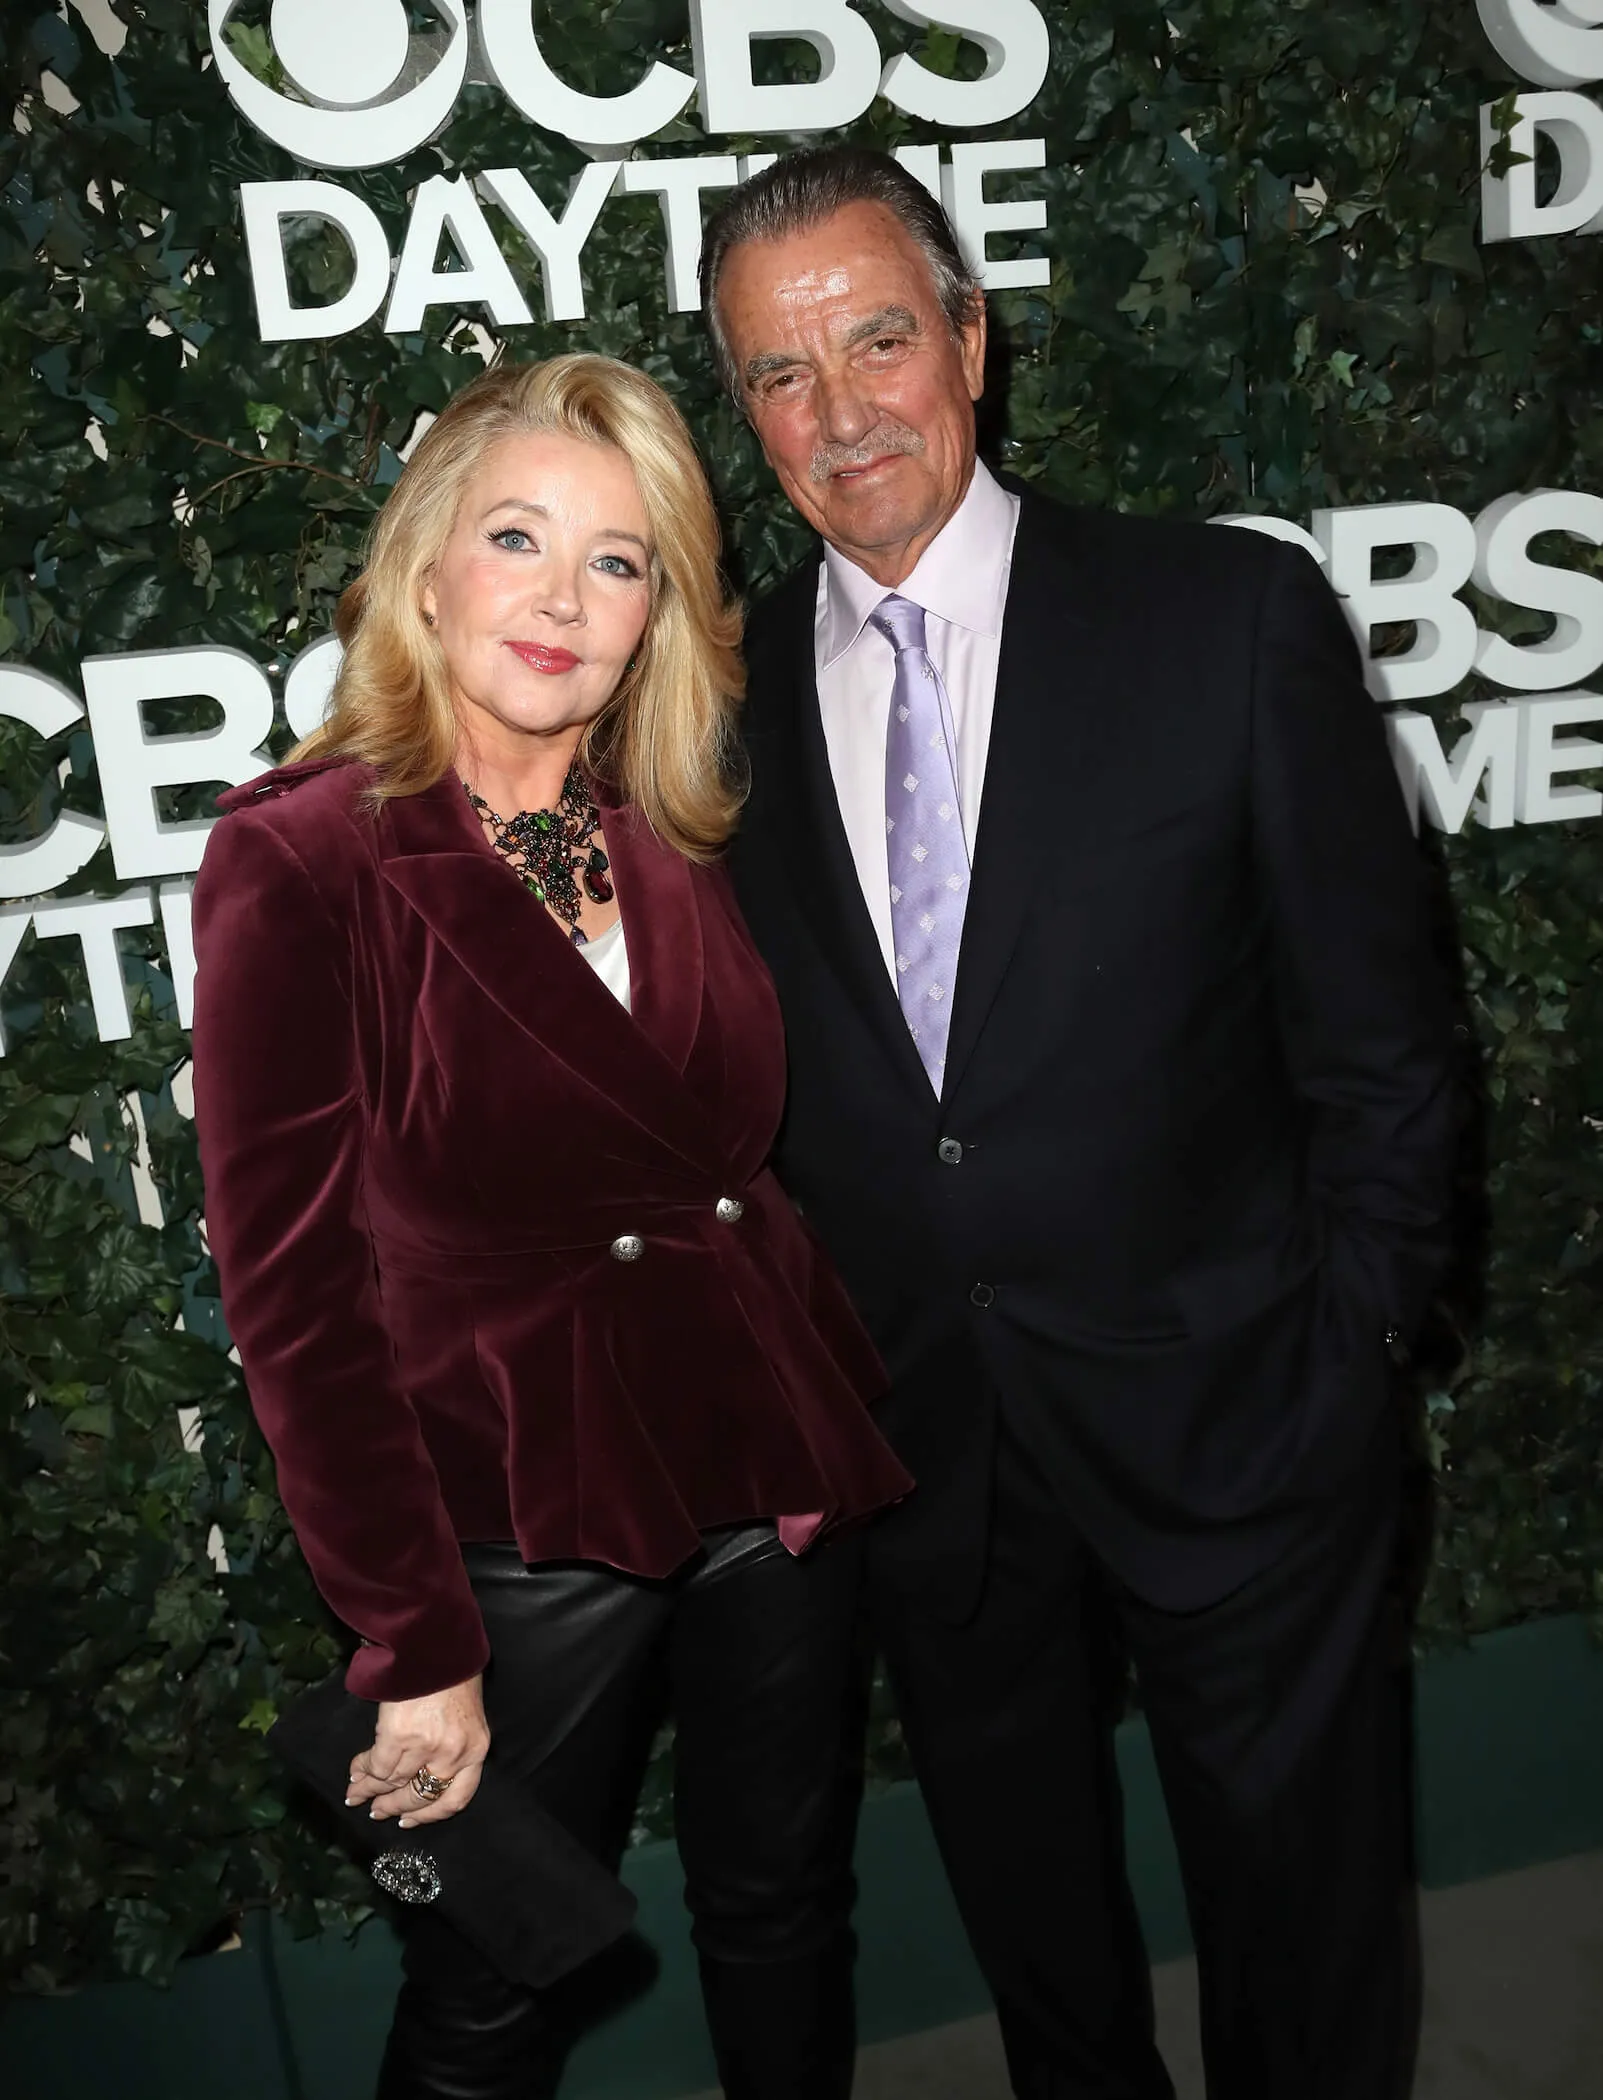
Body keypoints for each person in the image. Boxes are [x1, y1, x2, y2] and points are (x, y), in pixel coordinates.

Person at [701, 146, 1460, 2100]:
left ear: (972, 339)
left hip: (1247, 1423)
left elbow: (1384, 1044)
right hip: (935, 1462)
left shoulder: (1225, 617)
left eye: (881, 337)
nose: (844, 407)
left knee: (1306, 1943)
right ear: (743, 410)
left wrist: (1358, 1346)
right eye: (783, 373)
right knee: (1048, 1965)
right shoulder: (709, 707)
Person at [189, 353, 911, 2100]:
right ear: (426, 568)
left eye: (619, 559)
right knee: (492, 1974)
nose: (564, 598)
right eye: (519, 537)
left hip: (765, 1469)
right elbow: (295, 1308)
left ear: (659, 608)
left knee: (784, 1904)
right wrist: (410, 1642)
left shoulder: (678, 820)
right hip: (522, 1518)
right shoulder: (305, 859)